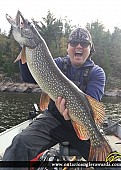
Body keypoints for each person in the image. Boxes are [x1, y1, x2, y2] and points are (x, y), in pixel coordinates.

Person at [2, 28, 106, 168]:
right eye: (74, 42)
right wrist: (24, 48)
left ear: (90, 48)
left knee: (110, 161)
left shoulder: (97, 73)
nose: (79, 46)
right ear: (68, 47)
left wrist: (72, 112)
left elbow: (91, 104)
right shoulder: (57, 64)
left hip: (81, 124)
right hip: (53, 120)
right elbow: (28, 77)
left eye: (84, 43)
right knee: (20, 143)